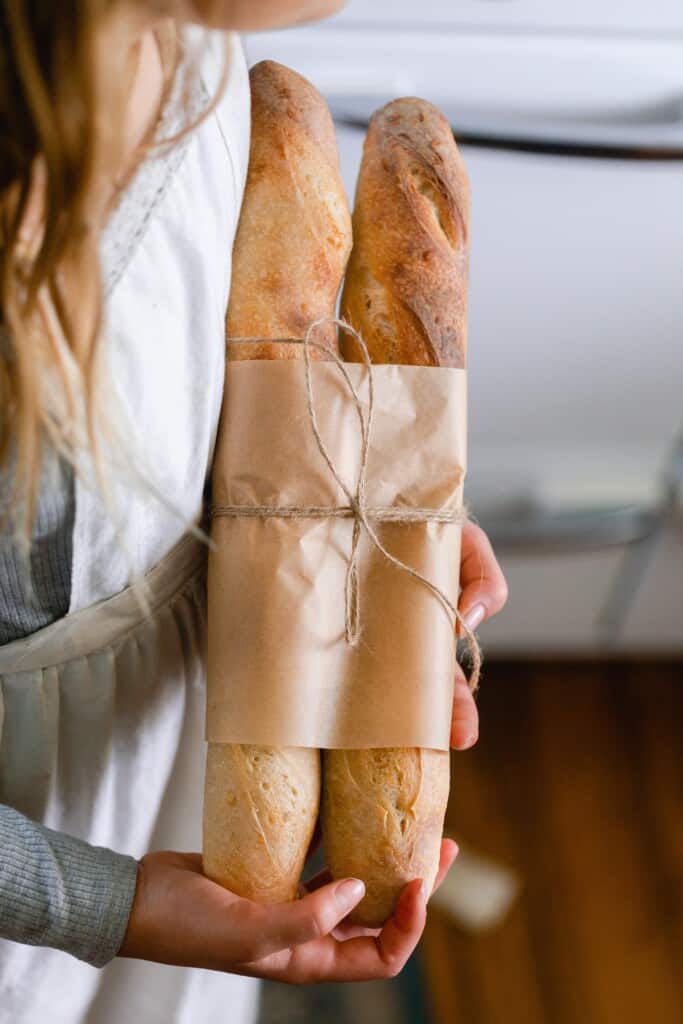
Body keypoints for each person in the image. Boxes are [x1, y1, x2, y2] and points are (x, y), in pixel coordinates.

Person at [0, 2, 509, 1021]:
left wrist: (369, 496)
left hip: (200, 675)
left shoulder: (171, 25)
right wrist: (113, 902)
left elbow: (212, 346)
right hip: (43, 809)